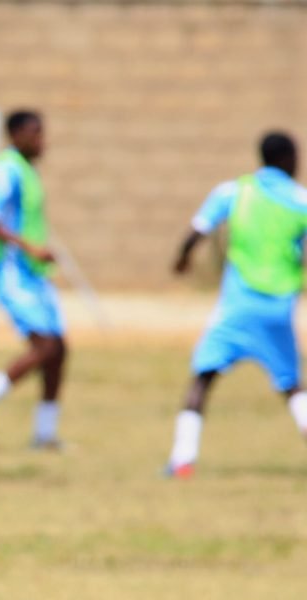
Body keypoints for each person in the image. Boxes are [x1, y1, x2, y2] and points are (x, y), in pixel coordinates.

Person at [165, 131, 307, 479]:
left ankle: (183, 460)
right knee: (291, 384)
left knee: (203, 377)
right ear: (289, 159)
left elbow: (197, 229)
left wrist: (181, 260)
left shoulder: (234, 191)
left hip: (237, 306)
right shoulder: (301, 200)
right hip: (277, 306)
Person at [0, 110, 67, 450]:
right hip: (12, 273)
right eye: (35, 133)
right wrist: (28, 246)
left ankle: (45, 435)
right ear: (17, 134)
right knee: (44, 346)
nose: (41, 141)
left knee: (59, 350)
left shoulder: (26, 170)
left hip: (33, 275)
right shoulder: (6, 168)